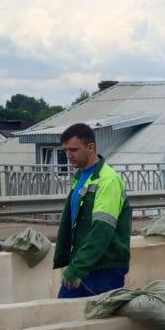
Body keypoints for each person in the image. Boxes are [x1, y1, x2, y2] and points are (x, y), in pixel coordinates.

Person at [53, 123, 132, 298]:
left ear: (91, 147)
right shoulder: (81, 177)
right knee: (67, 317)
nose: (68, 155)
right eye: (65, 150)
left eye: (73, 150)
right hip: (86, 265)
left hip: (103, 269)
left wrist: (76, 268)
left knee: (77, 319)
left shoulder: (108, 180)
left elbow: (101, 230)